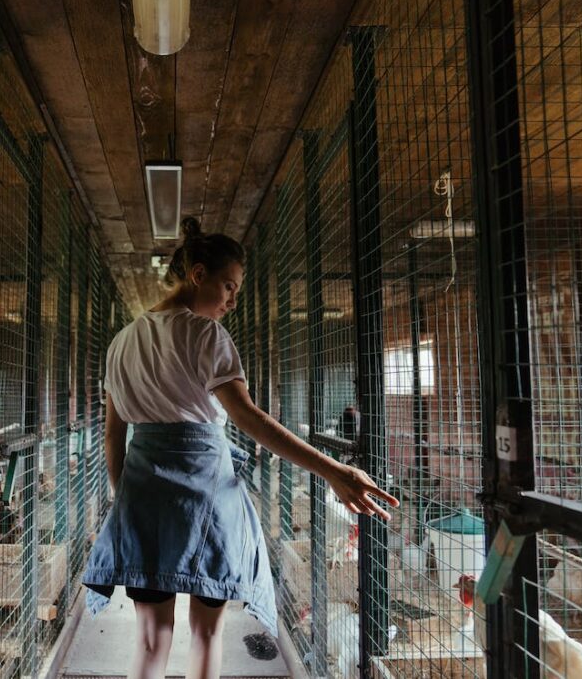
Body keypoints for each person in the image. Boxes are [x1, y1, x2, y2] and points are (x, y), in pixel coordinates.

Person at [81, 217, 399, 679]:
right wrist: (333, 469)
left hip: (142, 498)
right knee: (207, 636)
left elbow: (113, 434)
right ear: (198, 276)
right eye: (228, 287)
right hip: (207, 499)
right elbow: (250, 420)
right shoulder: (208, 336)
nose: (232, 300)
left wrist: (124, 498)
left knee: (150, 643)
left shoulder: (121, 343)